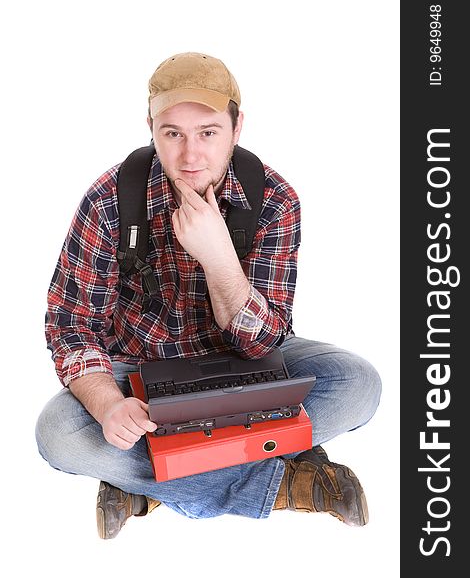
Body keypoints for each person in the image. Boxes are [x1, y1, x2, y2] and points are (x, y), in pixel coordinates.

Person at [36, 52, 382, 539]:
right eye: (172, 132)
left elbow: (263, 344)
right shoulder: (110, 198)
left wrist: (219, 258)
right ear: (150, 127)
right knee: (59, 436)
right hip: (139, 375)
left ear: (237, 128)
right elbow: (70, 327)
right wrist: (107, 405)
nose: (190, 155)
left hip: (240, 374)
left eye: (208, 132)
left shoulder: (275, 200)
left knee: (356, 382)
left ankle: (144, 481)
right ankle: (285, 480)